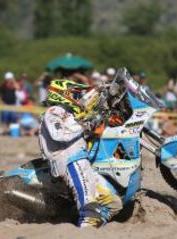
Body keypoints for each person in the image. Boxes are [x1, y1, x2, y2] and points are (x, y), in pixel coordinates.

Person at [39, 80, 122, 227]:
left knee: (113, 203)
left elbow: (85, 104)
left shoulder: (68, 112)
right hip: (70, 160)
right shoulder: (53, 111)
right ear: (63, 95)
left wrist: (99, 89)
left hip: (81, 159)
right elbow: (58, 134)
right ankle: (85, 233)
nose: (77, 98)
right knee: (90, 208)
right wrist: (85, 125)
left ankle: (95, 226)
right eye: (75, 94)